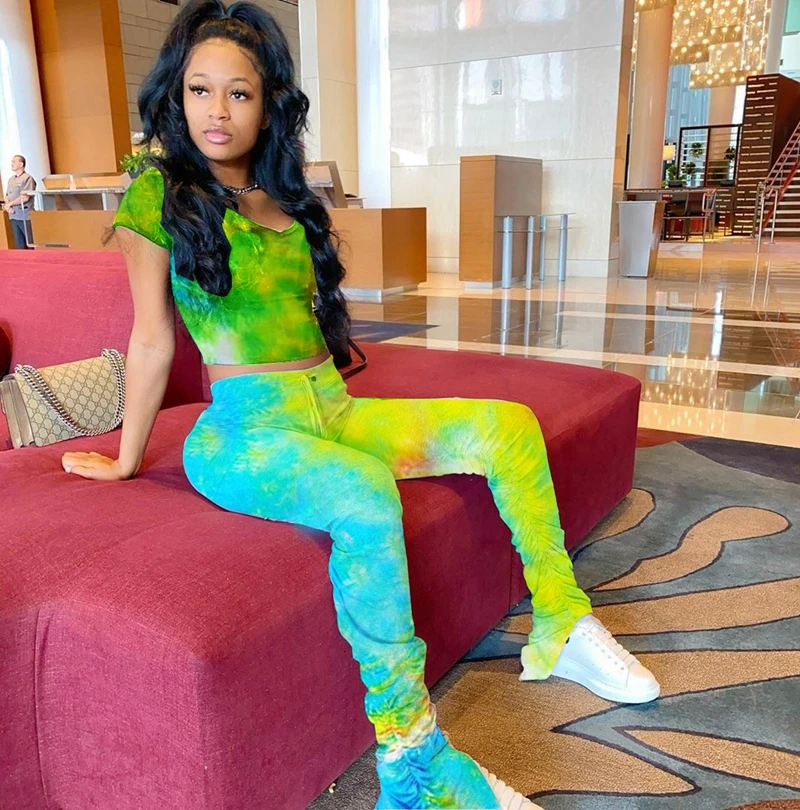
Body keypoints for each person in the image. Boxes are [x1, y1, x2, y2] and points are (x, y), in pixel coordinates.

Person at [60, 2, 660, 808]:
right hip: (244, 434)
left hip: (332, 409)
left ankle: (560, 618)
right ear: (177, 94)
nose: (217, 110)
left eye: (239, 92)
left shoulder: (285, 194)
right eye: (200, 89)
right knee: (364, 494)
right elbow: (150, 340)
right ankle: (412, 763)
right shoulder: (158, 197)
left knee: (506, 426)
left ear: (268, 103)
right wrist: (126, 459)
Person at [4, 155, 36, 249]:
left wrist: (11, 204)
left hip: (25, 216)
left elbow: (25, 197)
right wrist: (7, 206)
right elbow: (7, 195)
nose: (12, 163)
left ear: (21, 164)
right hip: (13, 215)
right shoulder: (11, 179)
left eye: (14, 161)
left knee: (30, 243)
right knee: (19, 245)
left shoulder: (28, 178)